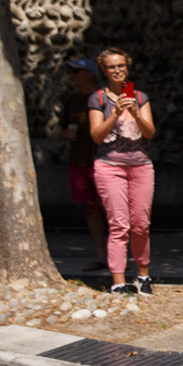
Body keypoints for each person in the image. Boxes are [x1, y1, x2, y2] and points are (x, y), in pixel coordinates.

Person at [88, 47, 155, 295]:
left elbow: (149, 133)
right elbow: (96, 135)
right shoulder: (98, 99)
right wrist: (115, 114)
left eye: (121, 66)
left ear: (127, 68)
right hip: (109, 166)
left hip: (141, 165)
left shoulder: (139, 96)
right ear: (104, 70)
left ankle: (143, 276)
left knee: (141, 224)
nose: (117, 70)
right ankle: (118, 280)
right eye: (111, 67)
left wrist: (135, 113)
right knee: (119, 224)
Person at [59, 57, 106, 272]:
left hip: (104, 161)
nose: (72, 75)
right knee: (90, 209)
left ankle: (118, 257)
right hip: (78, 161)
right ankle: (101, 256)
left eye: (77, 71)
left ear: (91, 73)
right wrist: (65, 133)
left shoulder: (106, 98)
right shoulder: (71, 101)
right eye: (71, 71)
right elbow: (63, 127)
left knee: (113, 210)